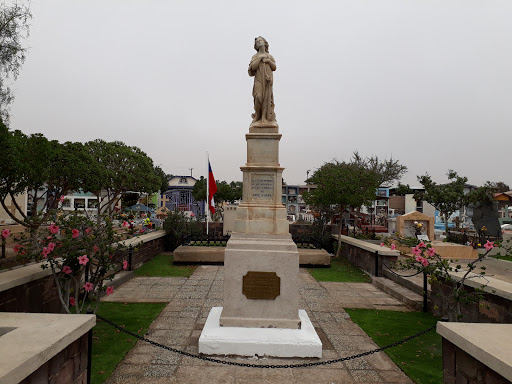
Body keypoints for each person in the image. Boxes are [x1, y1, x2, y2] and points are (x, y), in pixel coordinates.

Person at [248, 36, 277, 124]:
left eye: (260, 40)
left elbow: (274, 67)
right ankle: (257, 115)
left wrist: (268, 61)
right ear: (255, 46)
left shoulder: (270, 56)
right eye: (257, 42)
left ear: (265, 43)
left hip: (267, 81)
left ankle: (264, 118)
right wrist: (260, 58)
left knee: (266, 99)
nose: (258, 42)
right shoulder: (255, 56)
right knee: (258, 97)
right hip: (259, 80)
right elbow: (253, 67)